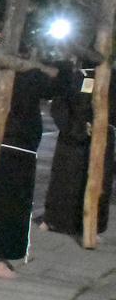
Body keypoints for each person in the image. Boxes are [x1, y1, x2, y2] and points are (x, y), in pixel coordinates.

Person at [0, 67, 68, 277]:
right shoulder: (28, 73)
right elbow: (57, 87)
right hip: (14, 148)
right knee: (6, 207)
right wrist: (65, 67)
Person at [41, 57, 114, 236]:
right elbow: (60, 106)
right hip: (72, 142)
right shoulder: (77, 79)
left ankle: (90, 225)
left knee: (97, 184)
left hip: (97, 140)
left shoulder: (109, 81)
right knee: (66, 182)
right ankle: (56, 221)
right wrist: (77, 128)